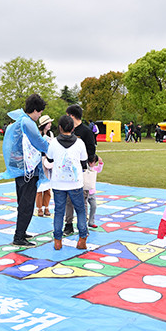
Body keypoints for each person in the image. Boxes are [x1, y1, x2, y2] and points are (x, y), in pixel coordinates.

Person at [0, 94, 50, 247]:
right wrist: (51, 148)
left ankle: (22, 230)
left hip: (20, 169)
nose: (40, 115)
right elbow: (38, 142)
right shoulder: (28, 122)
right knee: (27, 204)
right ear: (34, 110)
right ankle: (19, 237)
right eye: (39, 112)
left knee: (23, 201)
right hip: (27, 170)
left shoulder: (20, 120)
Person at [46, 115, 89, 250]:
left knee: (59, 211)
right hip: (75, 183)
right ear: (73, 128)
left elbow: (50, 159)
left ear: (59, 128)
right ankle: (82, 238)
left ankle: (57, 241)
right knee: (80, 210)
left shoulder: (53, 143)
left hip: (58, 183)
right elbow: (84, 162)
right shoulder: (80, 143)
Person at [63, 104, 96, 236]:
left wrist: (83, 158)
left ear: (72, 116)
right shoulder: (67, 130)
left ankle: (83, 226)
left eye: (67, 116)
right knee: (68, 200)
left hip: (81, 172)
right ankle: (68, 225)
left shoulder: (86, 131)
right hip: (68, 172)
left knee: (82, 200)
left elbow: (92, 151)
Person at [35, 115, 54, 217]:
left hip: (49, 161)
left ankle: (46, 207)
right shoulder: (38, 134)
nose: (50, 124)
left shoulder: (51, 134)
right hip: (39, 160)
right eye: (49, 123)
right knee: (40, 187)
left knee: (48, 187)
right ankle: (39, 208)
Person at [83, 154, 104, 229]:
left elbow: (99, 169)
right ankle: (84, 222)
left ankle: (91, 222)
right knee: (84, 208)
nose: (93, 164)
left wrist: (100, 162)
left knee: (94, 206)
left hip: (92, 192)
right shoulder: (85, 168)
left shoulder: (94, 169)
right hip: (85, 191)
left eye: (95, 162)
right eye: (92, 162)